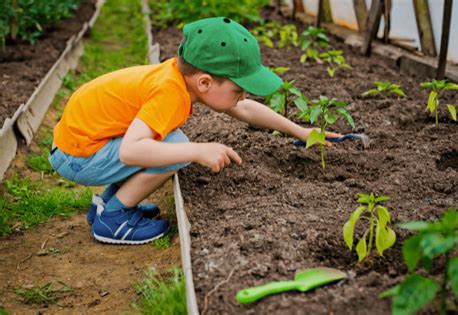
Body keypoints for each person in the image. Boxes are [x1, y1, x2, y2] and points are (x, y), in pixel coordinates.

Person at [49, 17, 341, 245]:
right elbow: (131, 150)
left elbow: (245, 110)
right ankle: (113, 218)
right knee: (176, 145)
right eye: (238, 90)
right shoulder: (170, 94)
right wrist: (198, 150)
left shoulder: (180, 80)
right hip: (78, 156)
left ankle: (106, 203)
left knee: (167, 142)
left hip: (82, 143)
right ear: (204, 83)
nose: (242, 98)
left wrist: (300, 132)